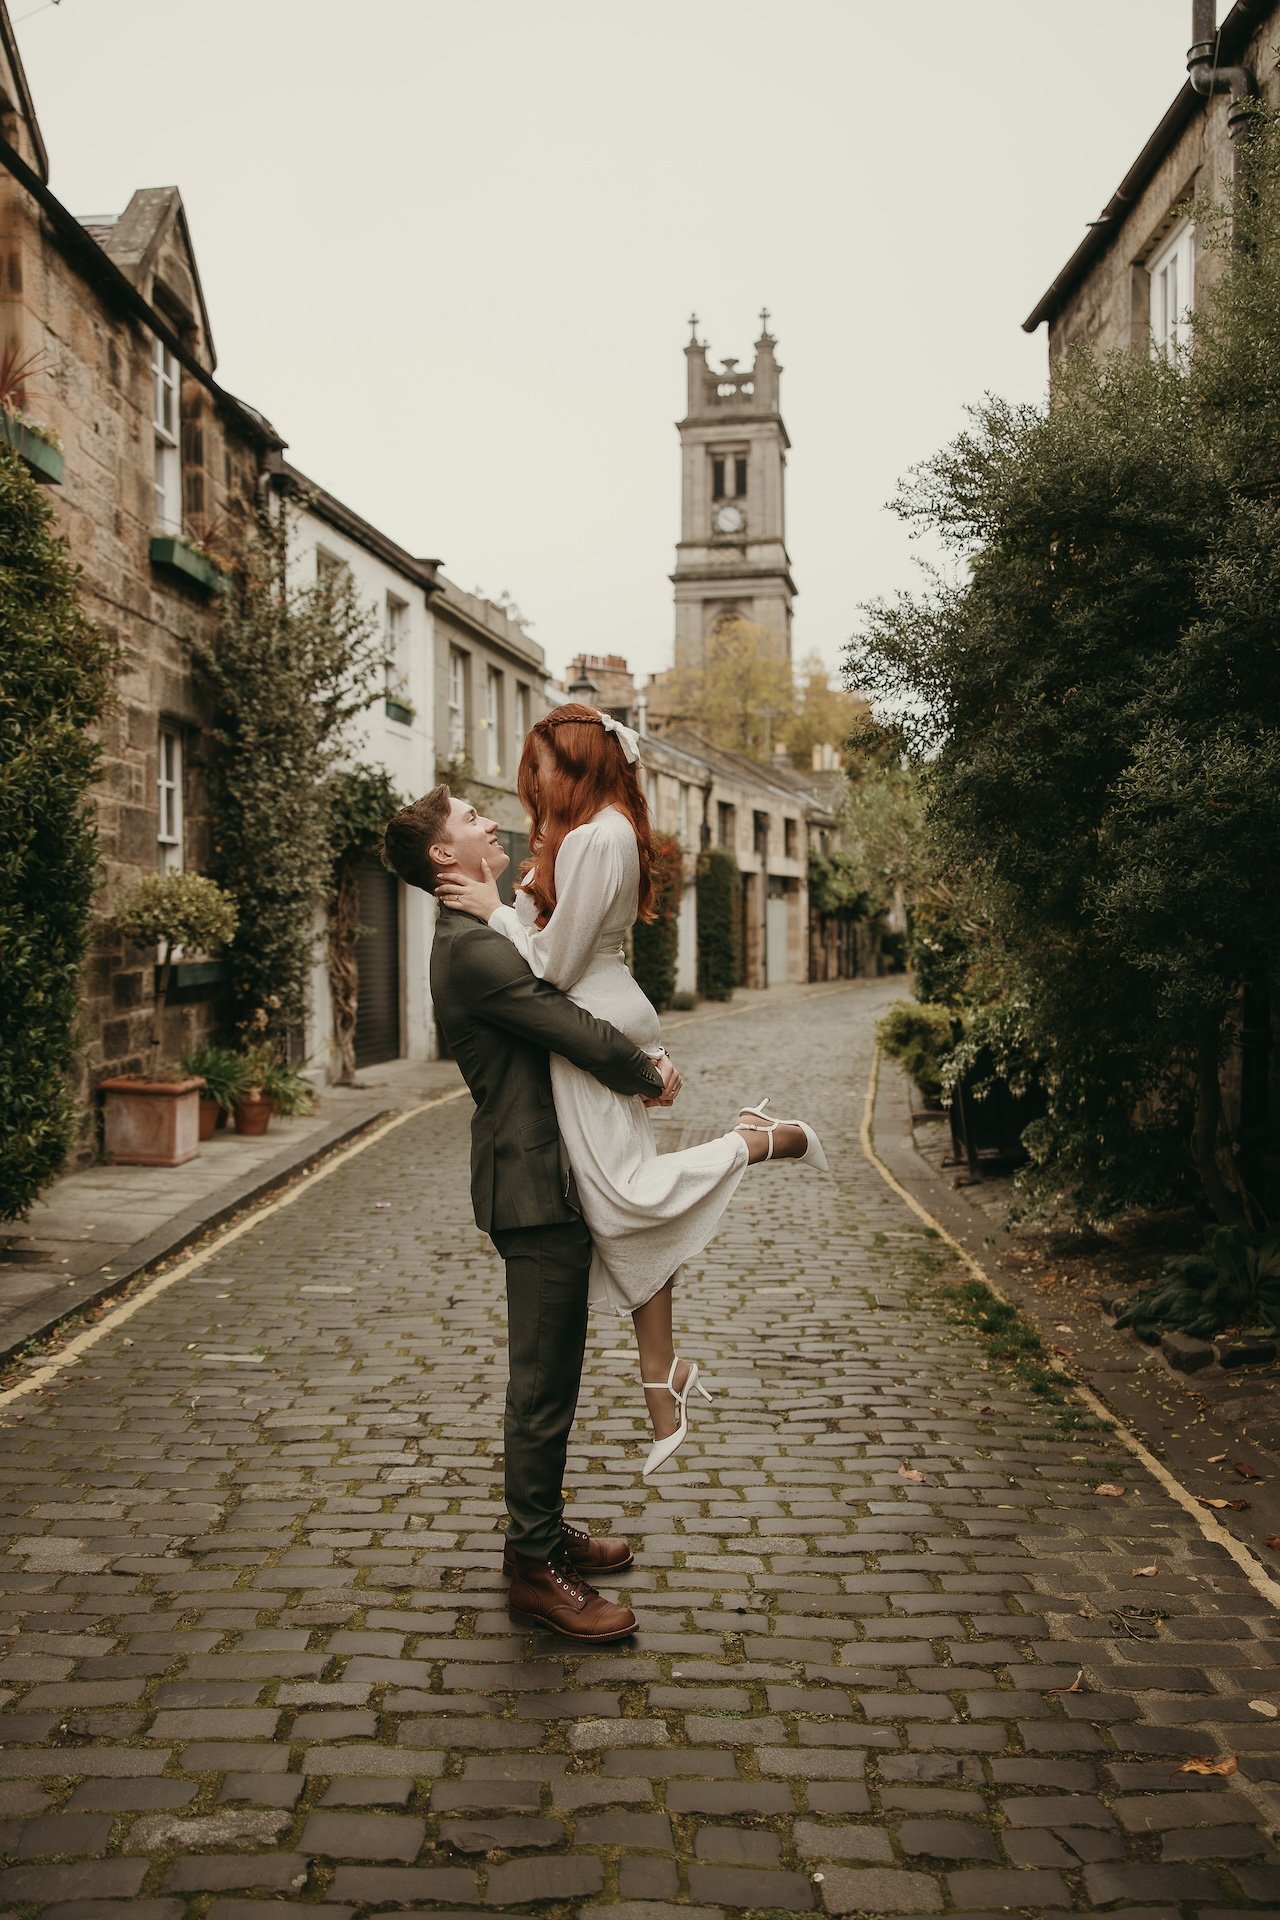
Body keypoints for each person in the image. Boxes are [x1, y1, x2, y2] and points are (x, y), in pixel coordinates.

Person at [435, 703, 827, 1479]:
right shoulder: (604, 832)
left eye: (540, 767)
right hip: (605, 1018)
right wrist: (522, 898)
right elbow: (569, 951)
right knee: (624, 1210)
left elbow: (548, 970)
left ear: (573, 763)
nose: (533, 784)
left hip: (589, 1031)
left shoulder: (595, 836)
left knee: (629, 1198)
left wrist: (495, 911)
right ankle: (662, 1377)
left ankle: (756, 1139)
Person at [382, 784, 678, 1644]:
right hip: (532, 1184)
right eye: (470, 817)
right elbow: (561, 1017)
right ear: (445, 855)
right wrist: (645, 1069)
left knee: (557, 1376)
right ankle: (533, 1571)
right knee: (542, 1387)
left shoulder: (480, 932)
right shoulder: (471, 949)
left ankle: (544, 1535)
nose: (489, 819)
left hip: (550, 1178)